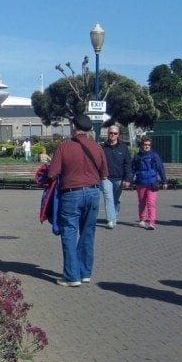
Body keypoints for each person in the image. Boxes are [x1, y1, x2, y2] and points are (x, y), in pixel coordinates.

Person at [48, 113, 108, 287]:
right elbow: (104, 173)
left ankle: (71, 275)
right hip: (93, 193)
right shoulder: (97, 148)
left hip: (71, 193)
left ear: (74, 127)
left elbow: (52, 173)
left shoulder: (64, 147)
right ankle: (85, 272)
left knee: (69, 232)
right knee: (88, 232)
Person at [132, 135, 167, 230]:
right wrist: (129, 179)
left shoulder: (154, 155)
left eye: (149, 145)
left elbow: (160, 168)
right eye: (145, 144)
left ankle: (151, 222)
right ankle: (142, 219)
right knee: (142, 203)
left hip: (152, 183)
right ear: (142, 145)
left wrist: (164, 181)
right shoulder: (137, 156)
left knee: (151, 203)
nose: (147, 146)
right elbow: (132, 169)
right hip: (141, 183)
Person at [101, 125, 132, 228]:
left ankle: (114, 216)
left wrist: (128, 179)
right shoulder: (102, 147)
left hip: (119, 178)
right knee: (109, 198)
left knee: (116, 200)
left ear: (118, 135)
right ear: (108, 133)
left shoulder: (123, 148)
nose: (113, 135)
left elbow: (128, 164)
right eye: (111, 133)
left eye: (115, 133)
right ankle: (110, 220)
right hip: (106, 178)